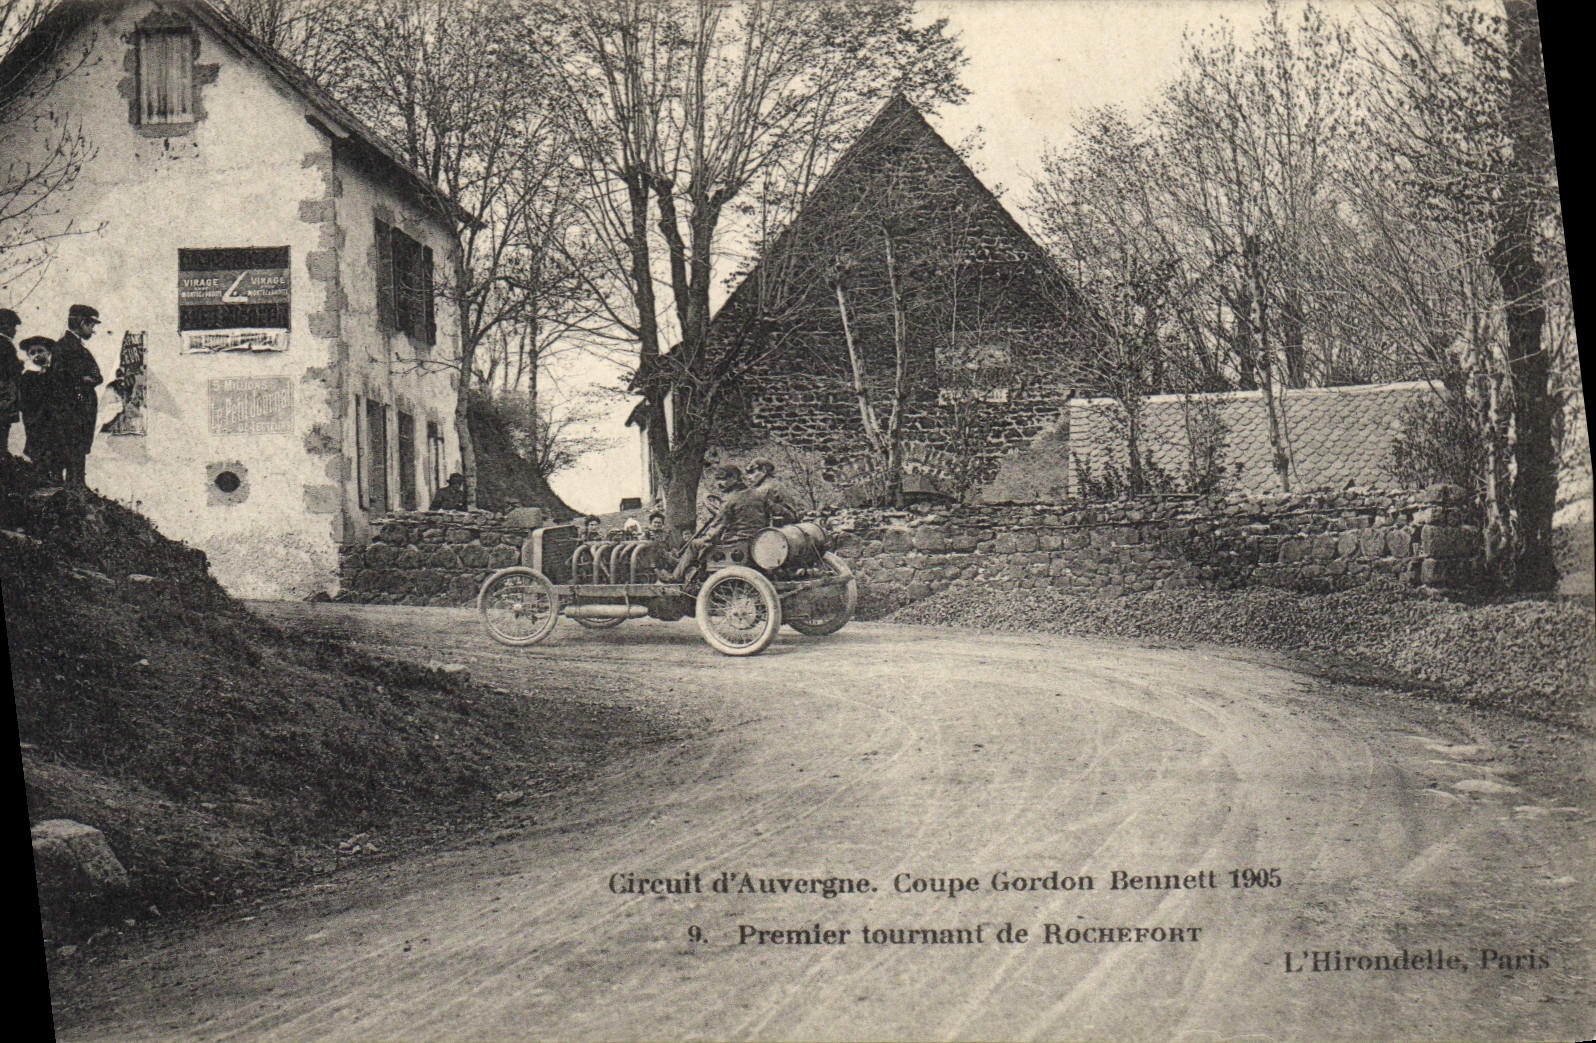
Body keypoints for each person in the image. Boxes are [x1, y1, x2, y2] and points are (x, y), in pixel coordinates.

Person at [664, 464, 769, 582]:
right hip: (756, 541)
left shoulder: (730, 499)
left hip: (735, 542)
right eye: (718, 479)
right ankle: (687, 567)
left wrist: (706, 538)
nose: (719, 483)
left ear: (735, 478)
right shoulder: (757, 494)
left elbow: (718, 527)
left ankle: (675, 577)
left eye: (723, 479)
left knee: (695, 544)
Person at [52, 304, 103, 488]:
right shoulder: (63, 347)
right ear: (81, 323)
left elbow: (98, 376)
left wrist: (89, 379)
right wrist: (82, 379)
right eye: (91, 326)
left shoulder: (80, 349)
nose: (93, 331)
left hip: (80, 408)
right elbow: (59, 377)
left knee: (78, 446)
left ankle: (78, 484)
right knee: (72, 446)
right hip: (71, 408)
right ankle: (75, 486)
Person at [18, 337, 65, 482]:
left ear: (49, 352)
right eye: (32, 352)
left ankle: (56, 477)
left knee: (56, 446)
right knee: (38, 447)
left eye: (40, 351)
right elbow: (24, 401)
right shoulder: (27, 377)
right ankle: (41, 476)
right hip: (36, 419)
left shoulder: (56, 372)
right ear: (28, 356)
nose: (36, 355)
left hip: (55, 418)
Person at [746, 457, 800, 525]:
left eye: (752, 472)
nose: (749, 477)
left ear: (763, 470)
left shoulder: (771, 487)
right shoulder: (765, 486)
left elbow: (792, 515)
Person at [0, 308, 21, 454]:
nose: (14, 330)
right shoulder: (6, 345)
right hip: (4, 398)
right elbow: (11, 370)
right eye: (13, 326)